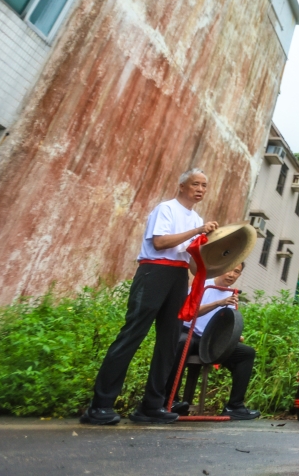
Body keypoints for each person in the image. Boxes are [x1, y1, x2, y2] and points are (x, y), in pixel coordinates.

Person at [82, 169, 219, 426]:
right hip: (154, 272)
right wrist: (197, 230)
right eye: (195, 184)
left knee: (169, 342)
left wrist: (211, 255)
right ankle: (100, 405)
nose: (200, 189)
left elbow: (191, 263)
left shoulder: (196, 217)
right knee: (133, 334)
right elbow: (159, 242)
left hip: (178, 279)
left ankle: (151, 406)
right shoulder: (165, 209)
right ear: (181, 186)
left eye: (204, 185)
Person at [167, 262, 260, 420]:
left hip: (210, 340)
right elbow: (188, 312)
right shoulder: (203, 285)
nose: (231, 275)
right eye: (229, 269)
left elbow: (225, 324)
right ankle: (170, 400)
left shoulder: (231, 295)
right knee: (182, 343)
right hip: (190, 333)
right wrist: (218, 303)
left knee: (246, 353)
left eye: (236, 272)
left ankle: (234, 406)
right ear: (221, 268)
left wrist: (233, 337)